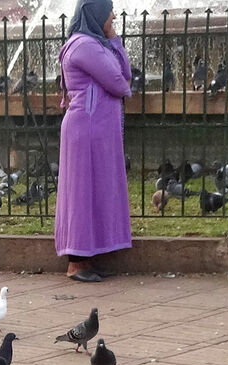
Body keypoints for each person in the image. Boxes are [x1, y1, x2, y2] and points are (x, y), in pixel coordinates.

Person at [54, 0, 132, 282]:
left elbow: (125, 76)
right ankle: (75, 263)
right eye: (108, 11)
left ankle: (86, 259)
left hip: (96, 131)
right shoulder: (84, 45)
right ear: (95, 13)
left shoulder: (96, 43)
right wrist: (113, 46)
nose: (112, 16)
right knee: (81, 192)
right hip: (85, 129)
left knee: (93, 191)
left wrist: (115, 40)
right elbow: (118, 82)